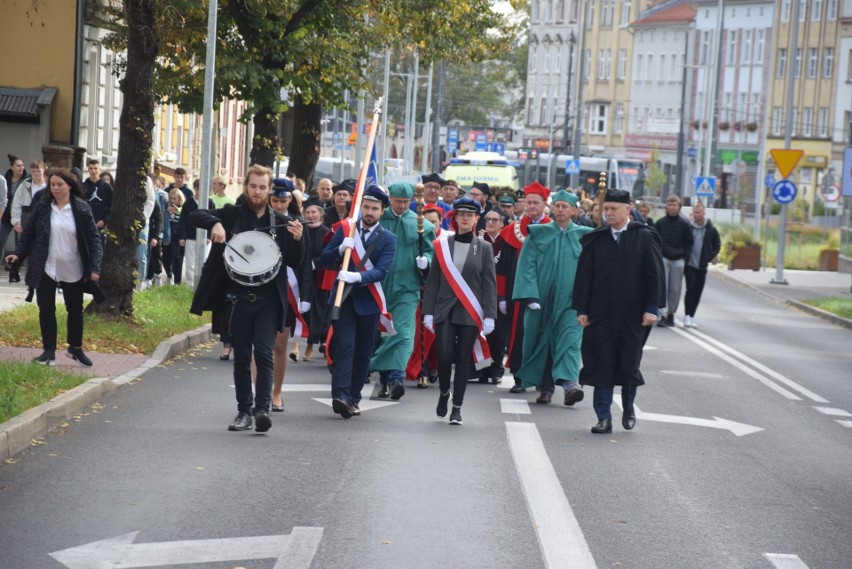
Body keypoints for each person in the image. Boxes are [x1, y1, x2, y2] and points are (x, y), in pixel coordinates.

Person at [190, 164, 305, 432]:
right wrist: (215, 223)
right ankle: (243, 412)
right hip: (237, 298)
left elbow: (295, 262)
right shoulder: (232, 214)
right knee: (241, 358)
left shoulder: (281, 222)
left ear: (269, 190)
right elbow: (195, 214)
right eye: (253, 186)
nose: (257, 191)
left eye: (262, 187)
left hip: (268, 301)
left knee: (264, 354)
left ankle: (262, 410)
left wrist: (299, 240)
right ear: (246, 187)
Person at [573, 188, 665, 434]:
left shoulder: (644, 237)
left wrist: (651, 308)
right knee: (602, 364)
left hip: (633, 317)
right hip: (600, 315)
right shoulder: (596, 239)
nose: (609, 213)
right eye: (607, 208)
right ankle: (603, 417)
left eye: (614, 209)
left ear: (628, 209)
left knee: (628, 365)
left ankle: (628, 406)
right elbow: (584, 276)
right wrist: (582, 308)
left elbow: (654, 275)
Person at [6, 168, 103, 367]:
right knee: (46, 308)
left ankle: (75, 348)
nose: (56, 188)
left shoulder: (81, 208)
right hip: (46, 266)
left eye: (60, 184)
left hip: (73, 266)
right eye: (52, 185)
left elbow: (94, 239)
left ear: (69, 185)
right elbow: (28, 234)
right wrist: (18, 253)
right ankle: (48, 351)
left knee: (75, 309)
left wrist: (94, 267)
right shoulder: (43, 207)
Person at [320, 185, 397, 419]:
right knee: (344, 347)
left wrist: (358, 276)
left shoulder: (388, 239)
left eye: (375, 208)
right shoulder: (346, 229)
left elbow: (382, 271)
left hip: (369, 301)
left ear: (383, 211)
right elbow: (324, 257)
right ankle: (340, 396)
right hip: (344, 299)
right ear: (360, 207)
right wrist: (340, 249)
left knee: (363, 352)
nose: (370, 212)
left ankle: (353, 397)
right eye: (366, 207)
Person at [513, 190, 592, 405]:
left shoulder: (586, 236)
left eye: (565, 206)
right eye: (557, 205)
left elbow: (593, 269)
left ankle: (570, 386)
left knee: (570, 341)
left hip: (571, 302)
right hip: (542, 299)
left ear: (574, 211)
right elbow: (527, 265)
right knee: (544, 343)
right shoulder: (539, 233)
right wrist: (529, 295)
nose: (560, 209)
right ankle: (545, 389)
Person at [422, 197, 497, 426]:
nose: (465, 218)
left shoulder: (484, 247)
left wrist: (489, 315)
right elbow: (433, 281)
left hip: (469, 311)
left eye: (469, 215)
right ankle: (445, 392)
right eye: (461, 214)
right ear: (455, 218)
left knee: (463, 360)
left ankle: (457, 407)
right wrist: (428, 311)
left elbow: (489, 284)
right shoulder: (442, 245)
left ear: (476, 219)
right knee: (444, 356)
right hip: (444, 309)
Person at [370, 181, 436, 399]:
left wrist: (426, 260)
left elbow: (430, 251)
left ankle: (397, 376)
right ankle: (384, 380)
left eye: (406, 202)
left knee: (404, 333)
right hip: (379, 285)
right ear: (390, 199)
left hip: (407, 287)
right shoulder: (379, 220)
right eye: (398, 201)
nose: (401, 205)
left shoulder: (422, 225)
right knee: (383, 334)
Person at [496, 181, 551, 393]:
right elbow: (502, 267)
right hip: (515, 291)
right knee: (518, 335)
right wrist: (501, 295)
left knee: (541, 334)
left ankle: (542, 380)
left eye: (536, 203)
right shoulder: (512, 230)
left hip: (544, 290)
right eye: (528, 202)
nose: (531, 206)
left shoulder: (552, 230)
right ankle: (519, 377)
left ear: (544, 204)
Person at [654, 195, 693, 327]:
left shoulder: (685, 224)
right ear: (666, 207)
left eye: (674, 205)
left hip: (678, 258)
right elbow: (655, 241)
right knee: (663, 287)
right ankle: (663, 313)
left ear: (679, 207)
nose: (672, 208)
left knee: (675, 288)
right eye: (670, 205)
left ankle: (671, 312)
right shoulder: (660, 223)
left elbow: (689, 243)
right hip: (664, 257)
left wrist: (685, 258)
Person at [300, 197, 331, 360]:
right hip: (301, 277)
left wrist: (313, 263)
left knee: (316, 312)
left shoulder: (326, 233)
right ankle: (296, 345)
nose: (310, 216)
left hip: (319, 277)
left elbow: (328, 255)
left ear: (320, 214)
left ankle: (311, 346)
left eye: (314, 212)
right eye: (308, 213)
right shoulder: (301, 230)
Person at [683, 201, 721, 328]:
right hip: (690, 264)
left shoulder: (710, 229)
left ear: (704, 213)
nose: (696, 215)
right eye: (694, 212)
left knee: (698, 291)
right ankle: (687, 315)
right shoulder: (689, 227)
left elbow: (717, 245)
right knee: (691, 288)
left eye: (698, 212)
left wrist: (709, 256)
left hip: (702, 265)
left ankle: (691, 316)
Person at [9, 160, 47, 283]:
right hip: (26, 216)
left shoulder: (48, 186)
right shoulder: (24, 185)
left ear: (44, 170)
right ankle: (23, 272)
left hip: (43, 218)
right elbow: (16, 204)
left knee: (41, 246)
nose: (36, 174)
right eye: (33, 171)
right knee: (24, 246)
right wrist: (16, 221)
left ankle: (41, 274)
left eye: (38, 171)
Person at [1, 155, 28, 262]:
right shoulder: (5, 179)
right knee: (1, 240)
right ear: (11, 167)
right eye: (18, 166)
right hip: (6, 215)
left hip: (21, 216)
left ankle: (18, 267)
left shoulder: (27, 181)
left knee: (21, 244)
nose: (21, 168)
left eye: (22, 166)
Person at [81, 159, 113, 241]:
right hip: (85, 226)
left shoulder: (107, 187)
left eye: (95, 168)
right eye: (91, 169)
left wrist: (104, 220)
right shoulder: (82, 187)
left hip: (101, 226)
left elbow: (111, 207)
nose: (93, 171)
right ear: (88, 170)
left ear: (100, 170)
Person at [164, 188, 185, 284]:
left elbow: (185, 221)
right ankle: (169, 274)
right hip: (168, 235)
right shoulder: (166, 208)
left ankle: (177, 281)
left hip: (177, 237)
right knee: (166, 258)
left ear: (179, 199)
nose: (172, 201)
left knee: (177, 258)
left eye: (174, 199)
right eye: (170, 198)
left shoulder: (182, 209)